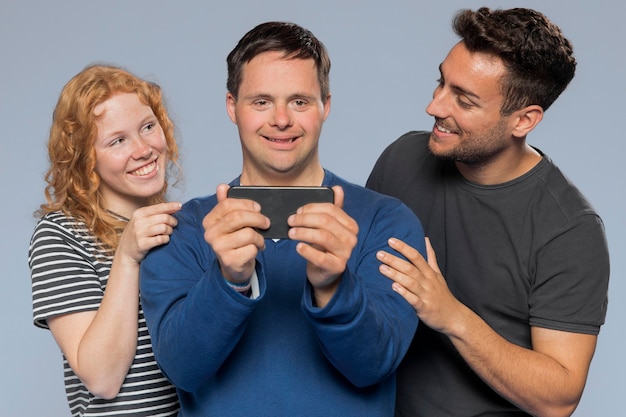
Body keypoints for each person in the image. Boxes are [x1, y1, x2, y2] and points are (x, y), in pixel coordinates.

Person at [139, 21, 426, 417]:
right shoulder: (183, 229)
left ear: (326, 105)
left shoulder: (386, 221)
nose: (280, 119)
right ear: (231, 107)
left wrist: (333, 285)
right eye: (261, 101)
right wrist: (229, 280)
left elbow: (373, 366)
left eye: (299, 101)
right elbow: (182, 369)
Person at [367, 7, 610, 417]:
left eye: (463, 100)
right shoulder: (403, 157)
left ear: (524, 120)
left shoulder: (570, 230)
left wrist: (451, 316)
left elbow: (559, 398)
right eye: (441, 82)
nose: (434, 106)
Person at [28, 64, 181, 416]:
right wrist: (127, 257)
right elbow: (102, 378)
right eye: (118, 141)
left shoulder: (177, 226)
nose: (143, 149)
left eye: (147, 127)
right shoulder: (60, 235)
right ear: (86, 158)